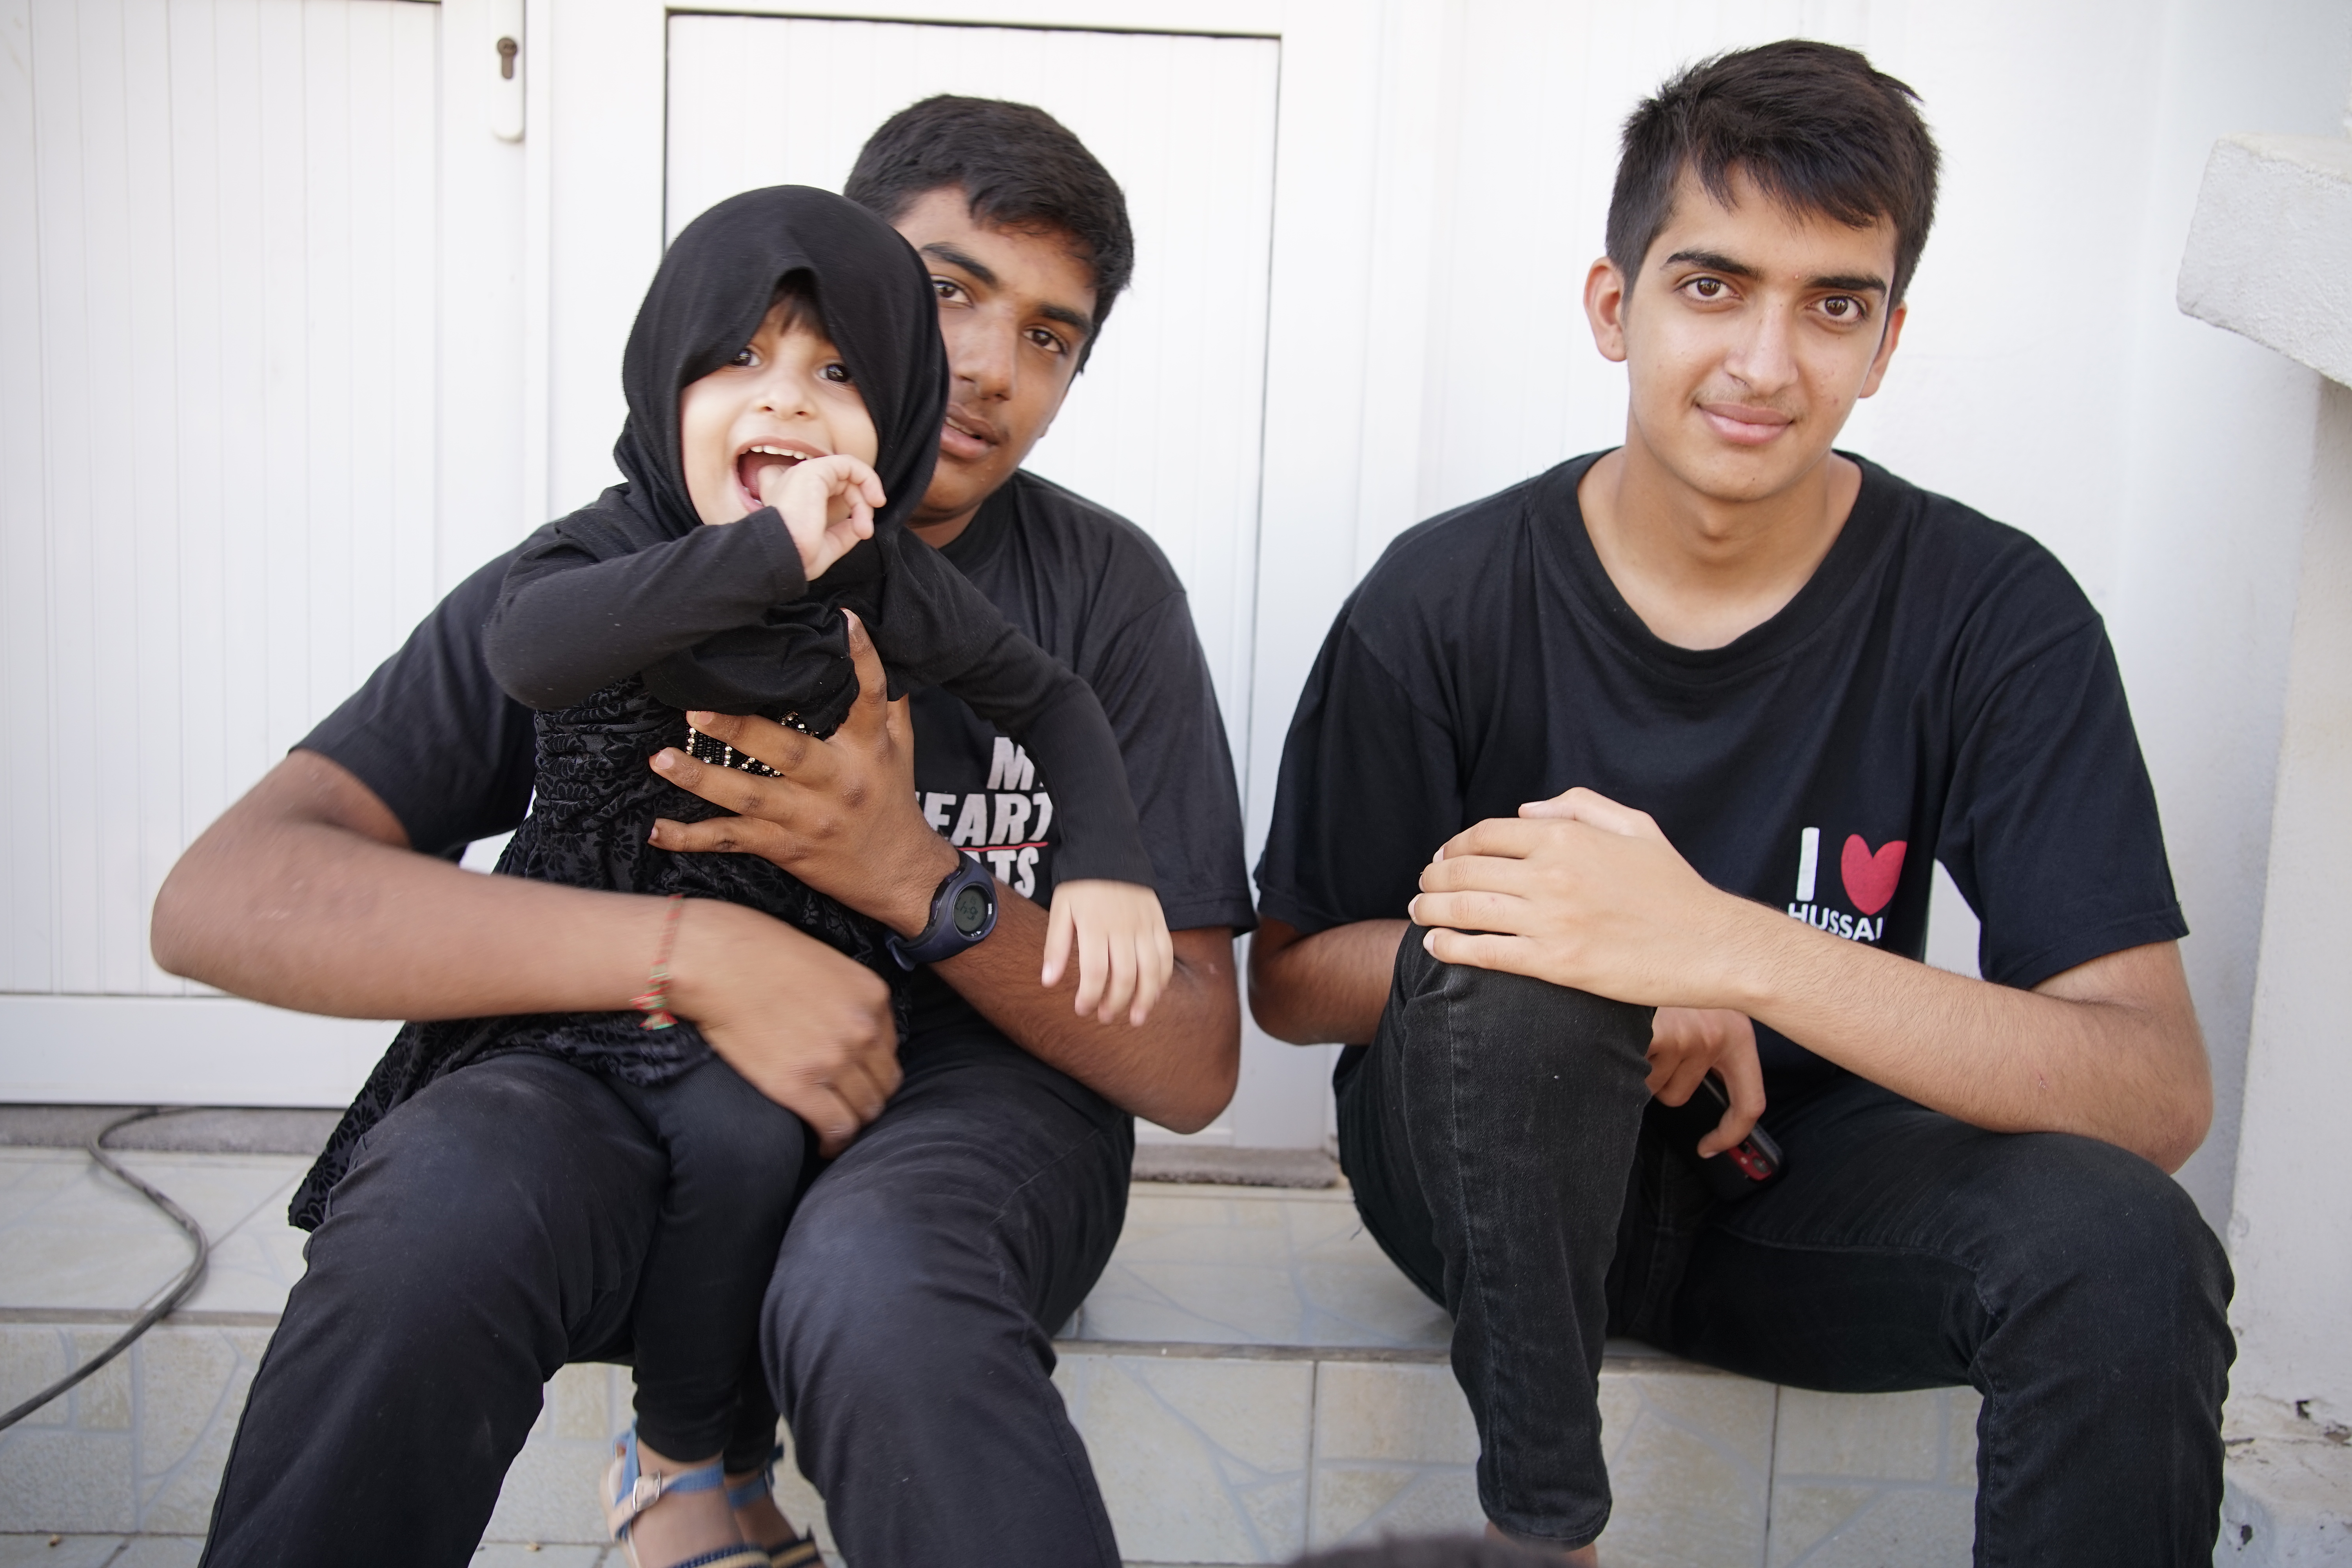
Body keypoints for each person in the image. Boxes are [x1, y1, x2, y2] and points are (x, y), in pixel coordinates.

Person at [158, 98, 1253, 1568]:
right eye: (949, 295)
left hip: (969, 1109)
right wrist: (696, 953)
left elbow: (1189, 1058)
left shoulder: (1102, 595)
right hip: (637, 1068)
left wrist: (909, 878)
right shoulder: (619, 566)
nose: (993, 367)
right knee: (442, 1200)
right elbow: (227, 896)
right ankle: (681, 1466)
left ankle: (708, 1456)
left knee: (882, 1283)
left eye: (1052, 336)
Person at [1251, 41, 2230, 1567]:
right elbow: (1296, 974)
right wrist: (1595, 969)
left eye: (1833, 304)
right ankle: (1543, 1541)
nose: (1767, 363)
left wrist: (1723, 950)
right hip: (1481, 1192)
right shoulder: (1442, 597)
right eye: (1713, 285)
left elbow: (2153, 1090)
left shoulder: (1995, 613)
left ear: (1886, 341)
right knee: (1532, 965)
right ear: (1614, 305)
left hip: (1809, 1192)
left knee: (2129, 1247)